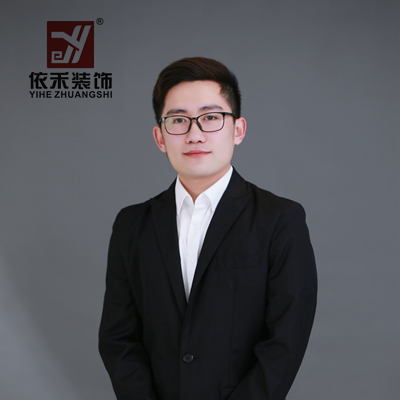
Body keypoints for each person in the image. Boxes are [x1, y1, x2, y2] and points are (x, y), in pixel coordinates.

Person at [99, 57, 317, 400]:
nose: (194, 134)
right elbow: (118, 339)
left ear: (238, 130)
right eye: (178, 120)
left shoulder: (279, 219)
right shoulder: (132, 225)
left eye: (211, 117)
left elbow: (285, 342)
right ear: (159, 137)